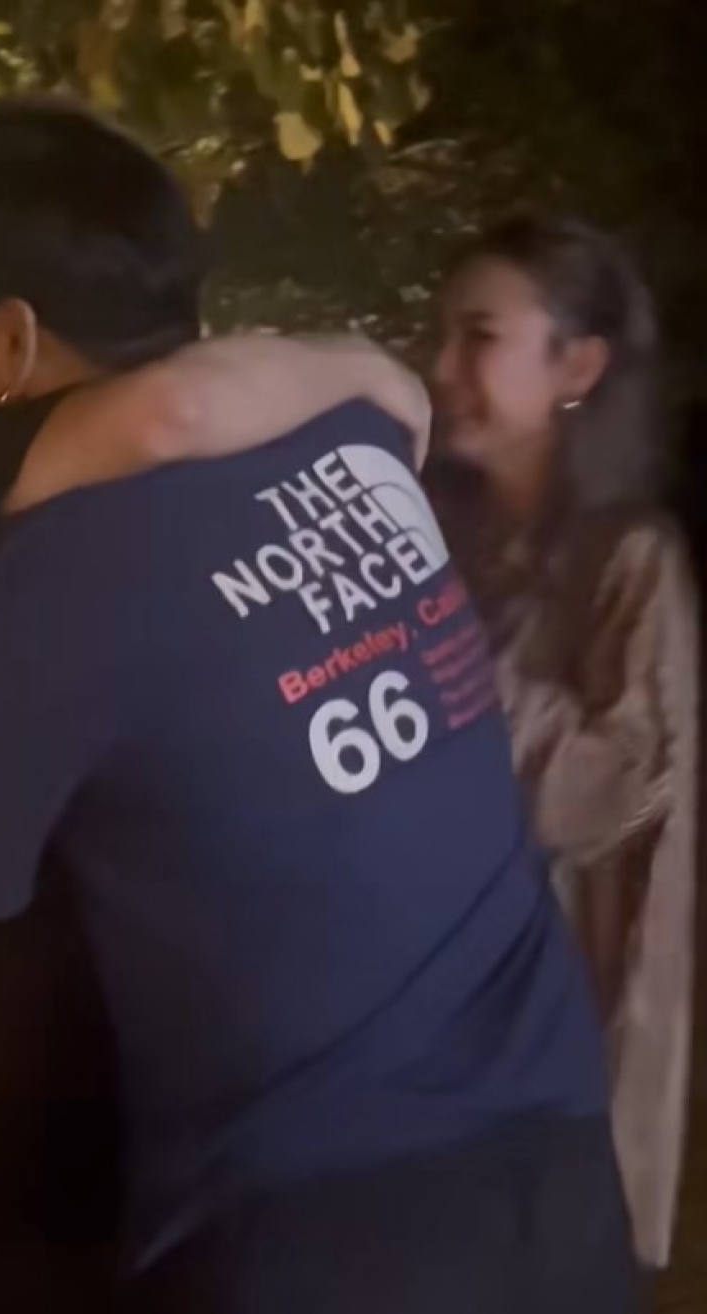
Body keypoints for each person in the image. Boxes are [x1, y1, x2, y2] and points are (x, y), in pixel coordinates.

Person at [0, 101, 640, 1313]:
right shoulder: (354, 440)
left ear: (10, 341)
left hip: (326, 1234)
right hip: (554, 1173)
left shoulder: (43, 583)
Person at [423, 214, 698, 1275]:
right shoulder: (437, 531)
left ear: (576, 367)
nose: (441, 368)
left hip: (550, 1051)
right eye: (441, 335)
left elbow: (614, 796)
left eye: (478, 337)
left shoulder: (630, 560)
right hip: (424, 1025)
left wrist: (447, 655)